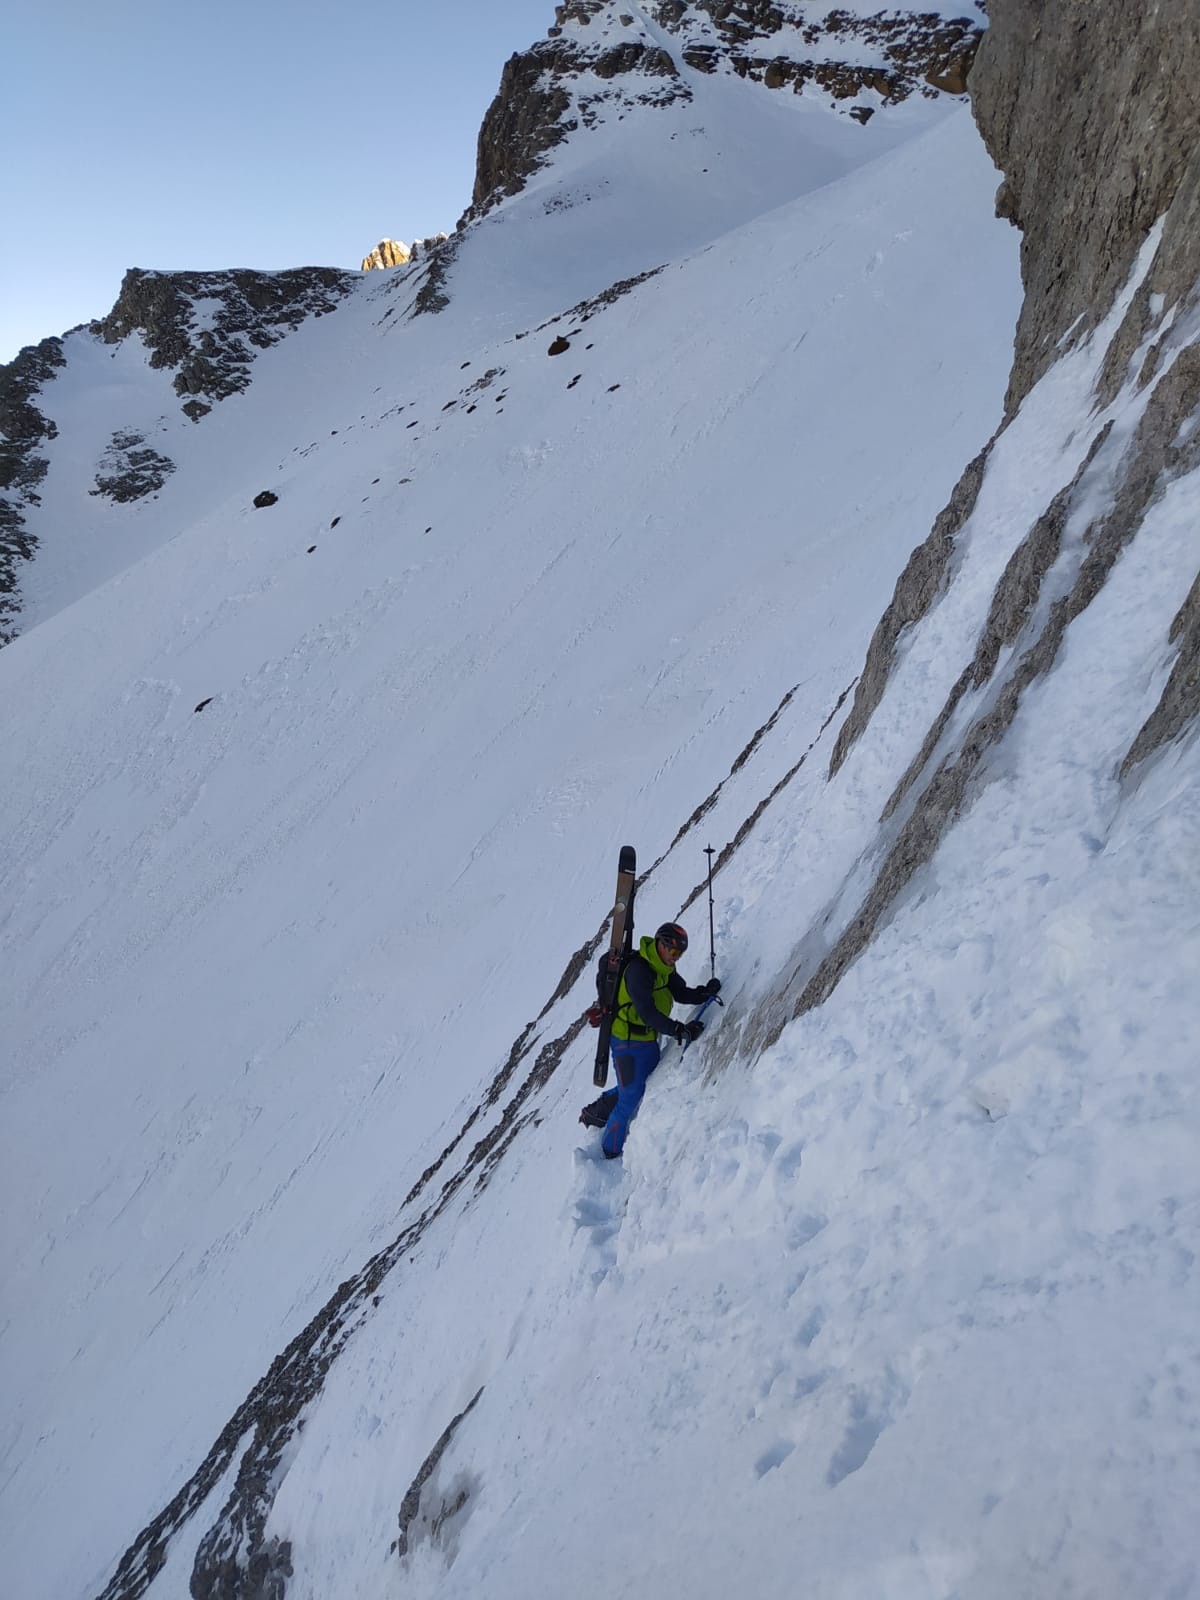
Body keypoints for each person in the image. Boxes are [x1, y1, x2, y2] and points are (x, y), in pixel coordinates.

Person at [579, 921, 720, 1158]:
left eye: (680, 954)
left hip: (647, 1040)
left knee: (641, 1085)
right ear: (661, 945)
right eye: (673, 951)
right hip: (626, 1043)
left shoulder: (664, 967)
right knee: (629, 1098)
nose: (676, 958)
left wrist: (705, 992)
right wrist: (679, 1029)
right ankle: (608, 1152)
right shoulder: (639, 971)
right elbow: (647, 1012)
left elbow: (681, 992)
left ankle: (598, 1110)